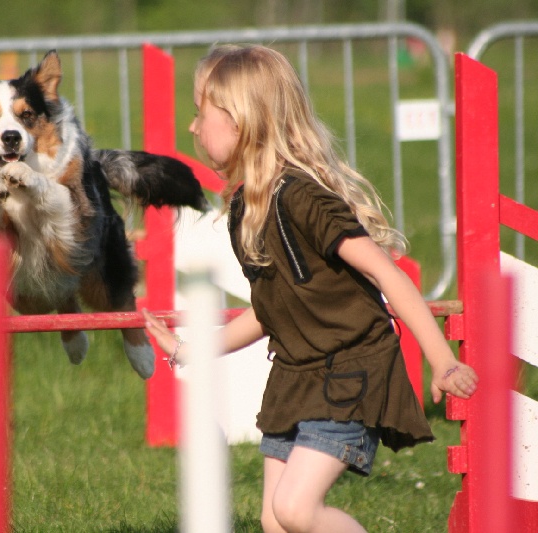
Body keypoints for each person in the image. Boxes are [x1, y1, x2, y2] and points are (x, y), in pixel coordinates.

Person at [142, 44, 478, 533]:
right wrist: (193, 350)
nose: (192, 127)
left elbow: (388, 275)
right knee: (275, 521)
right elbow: (271, 311)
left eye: (200, 112)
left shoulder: (302, 198)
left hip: (349, 370)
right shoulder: (245, 209)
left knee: (296, 509)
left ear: (241, 120)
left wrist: (442, 361)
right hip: (295, 379)